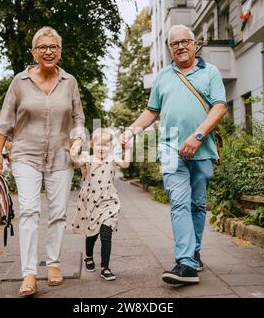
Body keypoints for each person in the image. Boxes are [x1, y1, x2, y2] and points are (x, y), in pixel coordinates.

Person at [121, 24, 227, 285]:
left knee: (198, 204)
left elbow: (220, 107)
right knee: (179, 202)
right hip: (169, 148)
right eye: (174, 43)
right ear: (169, 48)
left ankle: (194, 251)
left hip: (202, 148)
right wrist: (132, 130)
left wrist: (198, 136)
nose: (180, 46)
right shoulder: (162, 77)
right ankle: (186, 263)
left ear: (194, 44)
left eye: (185, 42)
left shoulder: (210, 72)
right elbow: (152, 111)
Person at [0, 26, 85, 296]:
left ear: (60, 51)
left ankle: (54, 263)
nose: (48, 51)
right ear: (34, 52)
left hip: (61, 154)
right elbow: (5, 122)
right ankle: (29, 272)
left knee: (58, 212)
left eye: (53, 47)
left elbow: (78, 117)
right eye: (43, 47)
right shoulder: (19, 82)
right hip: (25, 154)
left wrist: (78, 139)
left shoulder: (70, 82)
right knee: (30, 210)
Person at [70, 128, 130, 281]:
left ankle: (105, 267)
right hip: (91, 202)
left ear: (110, 146)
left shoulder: (112, 159)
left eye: (106, 145)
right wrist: (73, 152)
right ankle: (89, 256)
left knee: (106, 233)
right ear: (92, 145)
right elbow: (76, 163)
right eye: (99, 145)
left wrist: (127, 149)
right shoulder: (88, 159)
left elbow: (126, 164)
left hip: (109, 201)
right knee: (92, 234)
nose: (102, 148)